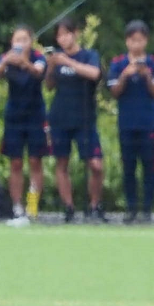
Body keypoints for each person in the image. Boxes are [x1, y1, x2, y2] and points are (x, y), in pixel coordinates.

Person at [44, 17, 105, 223]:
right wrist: (51, 66)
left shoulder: (89, 55)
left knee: (96, 164)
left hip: (85, 119)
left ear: (76, 33)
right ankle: (68, 207)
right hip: (60, 117)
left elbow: (94, 73)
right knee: (61, 163)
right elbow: (49, 85)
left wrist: (68, 61)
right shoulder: (57, 59)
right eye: (59, 35)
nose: (63, 39)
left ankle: (95, 206)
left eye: (66, 33)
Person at [108, 21, 154, 222]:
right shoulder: (118, 64)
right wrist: (125, 76)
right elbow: (114, 91)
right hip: (126, 124)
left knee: (149, 167)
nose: (136, 44)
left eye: (140, 40)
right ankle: (131, 209)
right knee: (128, 167)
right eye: (133, 40)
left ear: (146, 41)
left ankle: (147, 209)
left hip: (148, 123)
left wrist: (147, 76)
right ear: (127, 41)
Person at [0, 24, 51, 221]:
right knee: (15, 162)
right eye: (17, 40)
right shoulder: (7, 57)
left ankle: (32, 204)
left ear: (31, 41)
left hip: (35, 114)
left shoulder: (37, 57)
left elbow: (38, 72)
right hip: (14, 115)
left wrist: (24, 62)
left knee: (35, 160)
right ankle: (17, 206)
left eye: (24, 40)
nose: (20, 44)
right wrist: (4, 63)